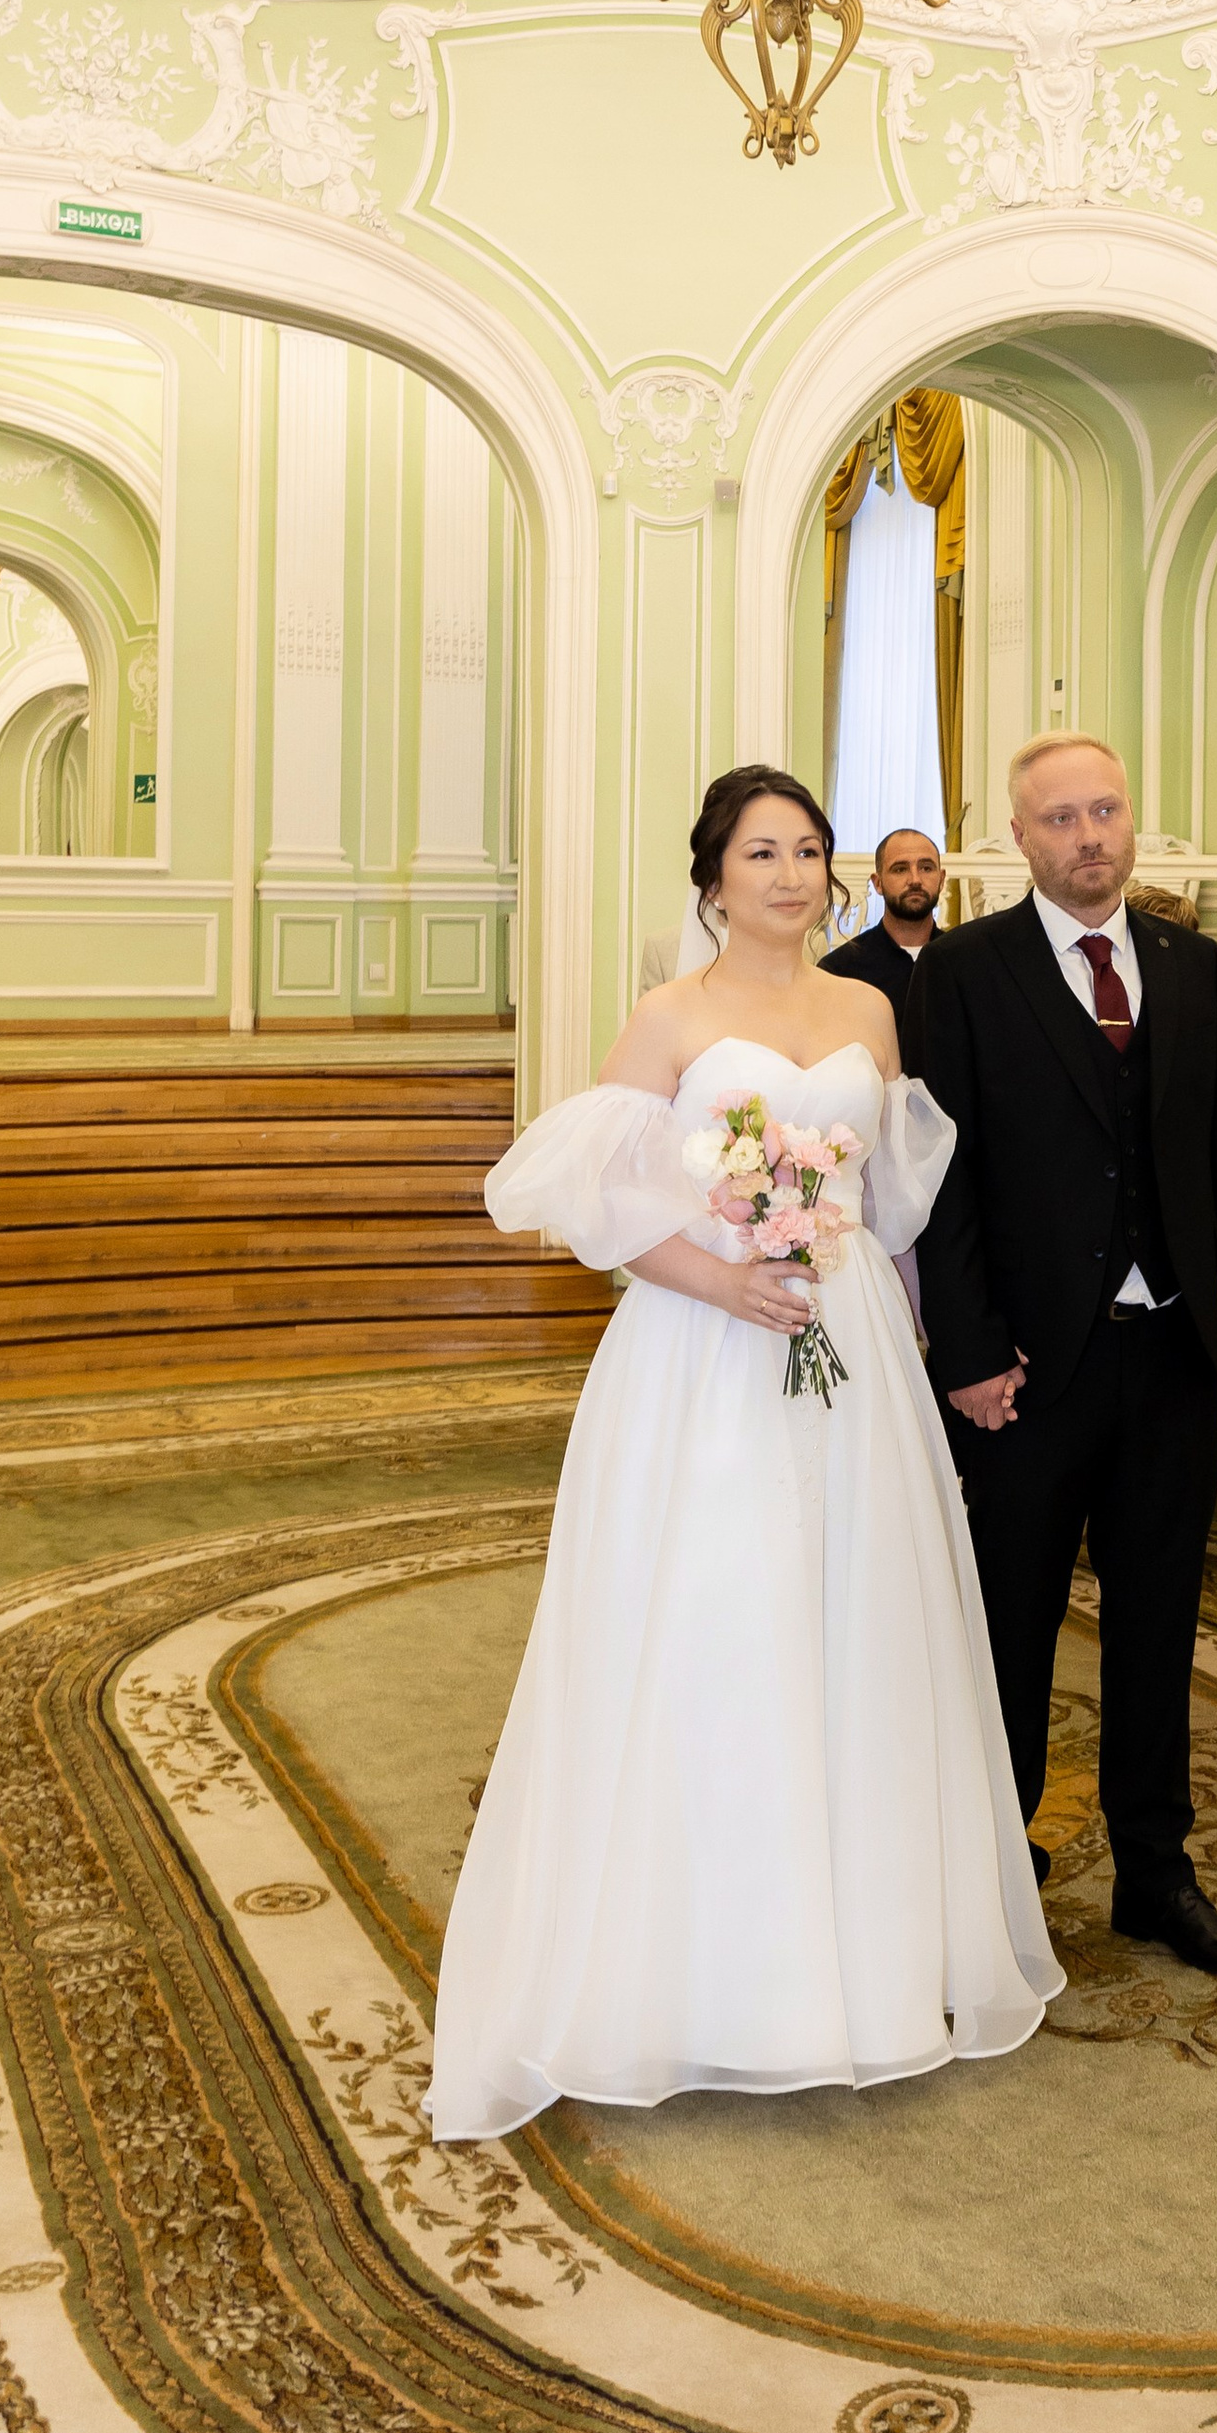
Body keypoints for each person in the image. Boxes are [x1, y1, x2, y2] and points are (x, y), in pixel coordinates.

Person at [430, 765, 1060, 2140]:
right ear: (713, 874)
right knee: (722, 1625)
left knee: (855, 1624)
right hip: (705, 1346)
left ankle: (868, 1965)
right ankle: (708, 1979)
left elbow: (892, 1200)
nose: (789, 872)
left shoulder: (868, 1009)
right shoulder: (671, 1014)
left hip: (847, 1347)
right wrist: (723, 1280)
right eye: (761, 851)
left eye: (808, 850)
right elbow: (585, 1197)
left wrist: (843, 1271)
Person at [909, 735, 1217, 1982]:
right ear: (1018, 839)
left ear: (1132, 821)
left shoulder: (1187, 964)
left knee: (1156, 1627)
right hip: (1021, 1374)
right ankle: (995, 1872)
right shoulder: (964, 972)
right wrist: (964, 1350)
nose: (1090, 836)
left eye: (1106, 811)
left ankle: (1154, 1875)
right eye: (1061, 819)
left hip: (1170, 1356)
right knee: (1008, 1629)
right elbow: (940, 1180)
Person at [820, 822, 946, 1057]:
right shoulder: (839, 970)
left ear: (941, 878)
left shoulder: (965, 962)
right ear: (877, 883)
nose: (915, 879)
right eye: (900, 869)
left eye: (926, 868)